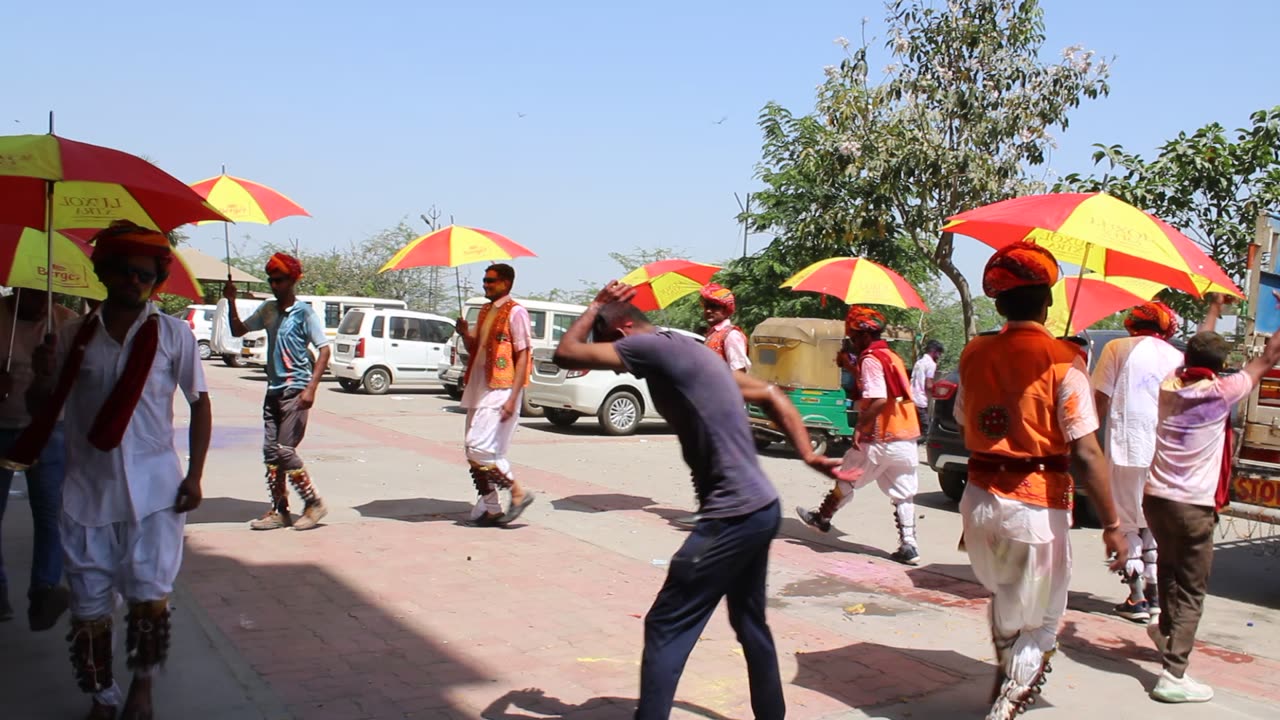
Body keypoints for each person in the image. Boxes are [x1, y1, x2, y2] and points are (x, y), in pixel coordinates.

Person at [553, 281, 848, 720]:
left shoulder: (650, 348)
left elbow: (566, 353)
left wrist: (596, 304)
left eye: (615, 358)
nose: (620, 370)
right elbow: (770, 393)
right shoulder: (691, 352)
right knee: (750, 623)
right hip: (762, 508)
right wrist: (806, 453)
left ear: (624, 329)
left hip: (730, 517)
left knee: (666, 625)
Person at [11, 220, 211, 719]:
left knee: (148, 598)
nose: (133, 280)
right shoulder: (74, 337)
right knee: (89, 605)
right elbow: (43, 407)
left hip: (157, 491)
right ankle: (103, 697)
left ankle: (142, 689)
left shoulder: (173, 335)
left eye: (143, 273)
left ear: (156, 278)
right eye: (122, 270)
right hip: (87, 492)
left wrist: (195, 476)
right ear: (102, 272)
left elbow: (199, 403)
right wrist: (40, 374)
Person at [956, 242, 1125, 720]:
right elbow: (1087, 451)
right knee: (1044, 616)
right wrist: (1113, 523)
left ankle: (1012, 674)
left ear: (997, 302)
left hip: (978, 501)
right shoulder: (1065, 360)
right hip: (1035, 507)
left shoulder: (973, 352)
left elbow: (964, 415)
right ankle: (1010, 701)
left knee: (1008, 599)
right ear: (1048, 300)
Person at [1143, 294, 1275, 704]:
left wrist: (1214, 310)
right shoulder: (1223, 391)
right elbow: (1269, 357)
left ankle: (1165, 632)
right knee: (1192, 590)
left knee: (1168, 570)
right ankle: (1174, 674)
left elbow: (1199, 344)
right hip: (1192, 505)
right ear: (1222, 366)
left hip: (1156, 498)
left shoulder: (1170, 385)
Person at [796, 306, 923, 565]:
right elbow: (880, 388)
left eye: (853, 337)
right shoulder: (891, 356)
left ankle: (822, 519)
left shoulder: (871, 359)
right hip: (905, 435)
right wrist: (852, 368)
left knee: (848, 477)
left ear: (865, 336)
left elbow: (877, 399)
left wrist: (860, 428)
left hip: (879, 435)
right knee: (904, 493)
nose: (851, 342)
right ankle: (909, 545)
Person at [1091, 301, 1184, 622]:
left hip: (1128, 446)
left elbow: (1099, 397)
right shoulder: (1177, 357)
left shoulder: (1118, 347)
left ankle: (1137, 599)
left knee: (1127, 522)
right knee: (1152, 523)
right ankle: (1155, 598)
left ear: (1132, 323)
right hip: (1166, 453)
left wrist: (1085, 439)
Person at [225, 253, 331, 531]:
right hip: (273, 389)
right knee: (271, 453)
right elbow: (238, 331)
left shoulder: (304, 312)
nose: (274, 285)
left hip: (296, 388)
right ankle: (279, 510)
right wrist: (231, 300)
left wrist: (311, 388)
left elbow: (324, 350)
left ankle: (313, 502)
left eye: (279, 280)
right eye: (271, 280)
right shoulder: (268, 310)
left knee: (285, 451)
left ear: (293, 281)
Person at [0, 289, 75, 629]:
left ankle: (44, 590)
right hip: (2, 427)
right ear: (17, 288)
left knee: (50, 514)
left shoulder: (65, 323)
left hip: (49, 430)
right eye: (31, 293)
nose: (41, 299)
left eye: (49, 293)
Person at [454, 263, 535, 527]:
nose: (486, 285)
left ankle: (517, 492)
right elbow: (474, 347)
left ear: (506, 283)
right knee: (472, 451)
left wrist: (513, 396)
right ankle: (492, 507)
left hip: (501, 389)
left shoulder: (517, 312)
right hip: (478, 387)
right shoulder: (485, 310)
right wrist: (465, 333)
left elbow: (523, 353)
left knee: (480, 447)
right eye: (485, 280)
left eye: (491, 281)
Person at [700, 283, 750, 372]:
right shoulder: (712, 333)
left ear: (726, 309)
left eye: (714, 306)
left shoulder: (731, 335)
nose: (708, 310)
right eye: (706, 306)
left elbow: (739, 371)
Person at [911, 339, 944, 438]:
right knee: (925, 420)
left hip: (912, 394)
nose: (939, 356)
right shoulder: (931, 364)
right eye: (939, 353)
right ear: (934, 351)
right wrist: (937, 392)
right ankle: (926, 437)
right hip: (921, 396)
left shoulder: (919, 362)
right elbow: (928, 384)